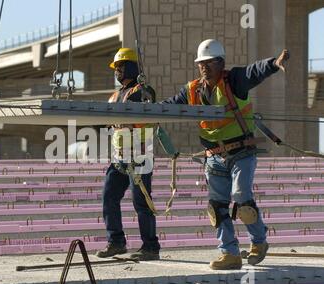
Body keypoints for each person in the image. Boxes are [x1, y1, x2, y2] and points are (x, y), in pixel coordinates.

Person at [162, 39, 290, 270]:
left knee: (241, 197)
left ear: (221, 63)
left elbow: (255, 71)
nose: (204, 67)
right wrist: (144, 112)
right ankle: (229, 254)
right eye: (201, 63)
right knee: (217, 206)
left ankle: (259, 242)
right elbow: (168, 105)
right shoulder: (191, 90)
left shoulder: (235, 81)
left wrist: (273, 63)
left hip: (241, 152)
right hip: (213, 157)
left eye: (209, 62)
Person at [95, 48, 160, 261]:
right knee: (109, 196)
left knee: (141, 201)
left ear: (132, 66)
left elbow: (140, 107)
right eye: (116, 68)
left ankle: (150, 247)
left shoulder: (142, 91)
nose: (117, 71)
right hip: (120, 157)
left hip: (140, 155)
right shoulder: (115, 96)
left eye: (121, 66)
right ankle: (116, 242)